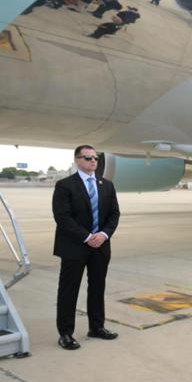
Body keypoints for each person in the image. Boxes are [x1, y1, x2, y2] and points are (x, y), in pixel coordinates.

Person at [52, 145, 120, 350]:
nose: (93, 161)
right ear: (77, 160)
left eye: (95, 158)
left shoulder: (106, 185)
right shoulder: (64, 185)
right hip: (74, 246)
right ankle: (65, 333)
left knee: (98, 288)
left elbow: (114, 214)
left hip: (100, 246)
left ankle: (97, 327)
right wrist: (87, 237)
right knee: (68, 290)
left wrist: (103, 235)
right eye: (88, 158)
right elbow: (62, 217)